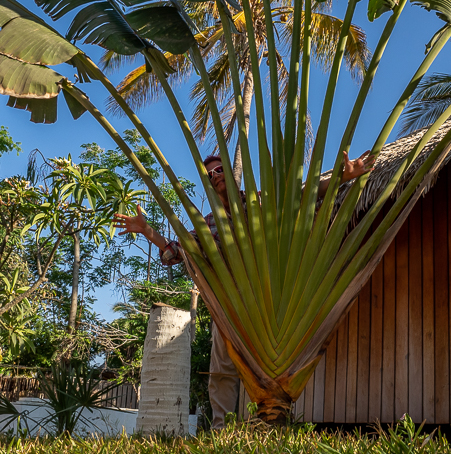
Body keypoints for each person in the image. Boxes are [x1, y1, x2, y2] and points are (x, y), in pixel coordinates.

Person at [113, 150, 376, 429]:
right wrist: (147, 231)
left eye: (219, 170)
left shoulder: (259, 202)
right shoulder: (209, 223)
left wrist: (342, 176)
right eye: (209, 175)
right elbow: (177, 252)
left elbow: (303, 194)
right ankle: (220, 431)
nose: (215, 177)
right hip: (230, 304)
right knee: (221, 372)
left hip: (269, 300)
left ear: (232, 172)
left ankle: (272, 418)